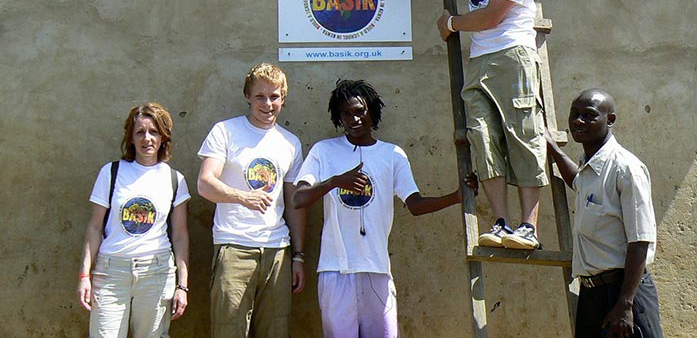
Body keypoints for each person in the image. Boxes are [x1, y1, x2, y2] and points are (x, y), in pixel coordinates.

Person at [407, 0, 547, 250]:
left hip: (511, 54)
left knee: (521, 135)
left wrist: (450, 23)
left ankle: (528, 227)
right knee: (482, 137)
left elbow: (492, 17)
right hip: (482, 57)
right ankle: (500, 222)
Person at [292, 79, 478, 338]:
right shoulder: (324, 151)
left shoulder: (393, 155)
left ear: (373, 112)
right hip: (335, 271)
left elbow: (415, 205)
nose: (354, 119)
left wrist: (457, 196)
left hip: (377, 270)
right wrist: (336, 182)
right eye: (346, 113)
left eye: (360, 111)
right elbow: (298, 199)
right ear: (338, 117)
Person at [197, 62, 305, 338]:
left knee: (276, 332)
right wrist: (242, 197)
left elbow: (294, 203)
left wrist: (299, 256)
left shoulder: (291, 143)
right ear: (247, 96)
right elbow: (205, 184)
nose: (267, 104)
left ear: (283, 97)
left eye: (274, 96)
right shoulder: (225, 131)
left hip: (277, 250)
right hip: (234, 247)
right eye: (260, 96)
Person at [545, 88, 663, 337]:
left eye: (589, 115)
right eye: (574, 114)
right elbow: (577, 181)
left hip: (623, 293)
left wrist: (625, 304)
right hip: (592, 295)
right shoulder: (590, 167)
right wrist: (554, 150)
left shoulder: (625, 168)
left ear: (610, 120)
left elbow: (640, 239)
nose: (578, 121)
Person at [77, 102, 191, 338]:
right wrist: (84, 276)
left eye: (154, 132)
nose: (147, 138)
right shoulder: (111, 172)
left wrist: (182, 285)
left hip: (156, 272)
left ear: (163, 137)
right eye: (140, 132)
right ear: (130, 137)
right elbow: (94, 228)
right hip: (111, 273)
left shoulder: (175, 180)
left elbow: (180, 236)